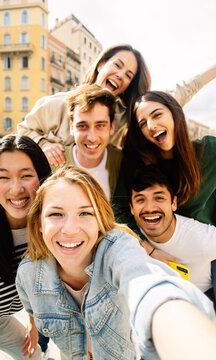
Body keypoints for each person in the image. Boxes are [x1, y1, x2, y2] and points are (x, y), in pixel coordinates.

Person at [16, 166, 216, 360]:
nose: (70, 229)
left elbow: (146, 281)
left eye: (85, 213)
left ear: (100, 221)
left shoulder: (118, 249)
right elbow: (31, 307)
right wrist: (33, 325)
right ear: (39, 224)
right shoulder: (28, 274)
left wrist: (175, 320)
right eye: (56, 214)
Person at [17, 44, 215, 166]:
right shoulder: (57, 103)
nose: (121, 75)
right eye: (117, 65)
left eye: (129, 75)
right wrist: (43, 143)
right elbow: (22, 131)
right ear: (102, 64)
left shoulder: (125, 116)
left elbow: (180, 92)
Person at [114, 90, 216, 293]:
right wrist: (148, 250)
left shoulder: (209, 151)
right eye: (142, 123)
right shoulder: (138, 163)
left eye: (157, 114)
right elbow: (119, 211)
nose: (151, 126)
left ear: (174, 113)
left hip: (208, 249)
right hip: (161, 256)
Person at [0, 135, 51, 359]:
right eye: (4, 177)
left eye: (26, 175)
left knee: (34, 356)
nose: (16, 189)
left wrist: (32, 320)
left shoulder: (50, 228)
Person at [129, 165, 216, 305]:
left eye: (159, 198)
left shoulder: (202, 239)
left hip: (202, 302)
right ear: (131, 208)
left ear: (173, 203)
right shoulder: (127, 236)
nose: (150, 208)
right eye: (140, 200)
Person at [52, 83, 122, 200]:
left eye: (100, 125)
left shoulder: (122, 162)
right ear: (72, 127)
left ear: (112, 127)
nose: (92, 137)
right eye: (82, 126)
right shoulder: (53, 164)